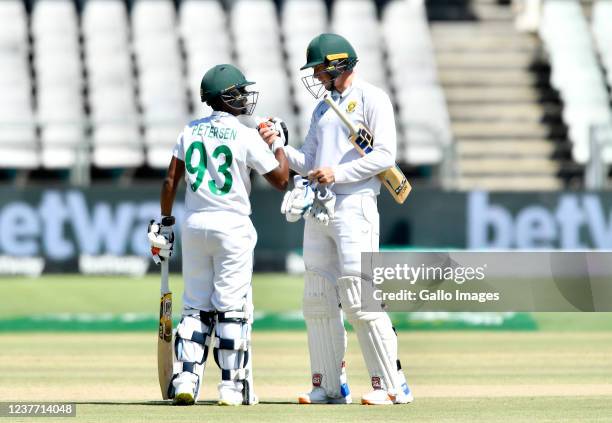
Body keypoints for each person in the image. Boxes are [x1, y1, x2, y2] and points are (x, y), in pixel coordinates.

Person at [259, 33, 413, 406]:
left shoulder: (374, 98)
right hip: (320, 206)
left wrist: (337, 174)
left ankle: (391, 386)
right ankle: (329, 386)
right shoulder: (324, 107)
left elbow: (385, 157)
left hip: (355, 205)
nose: (315, 75)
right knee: (318, 299)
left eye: (319, 68)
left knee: (360, 298)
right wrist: (277, 144)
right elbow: (308, 162)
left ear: (338, 64)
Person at [148, 64, 288, 406]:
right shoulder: (244, 135)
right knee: (231, 308)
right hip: (233, 226)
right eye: (239, 92)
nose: (244, 98)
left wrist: (165, 221)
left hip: (195, 224)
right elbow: (282, 178)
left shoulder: (190, 130)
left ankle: (185, 378)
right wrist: (280, 144)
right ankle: (231, 386)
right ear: (226, 97)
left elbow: (170, 181)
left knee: (195, 306)